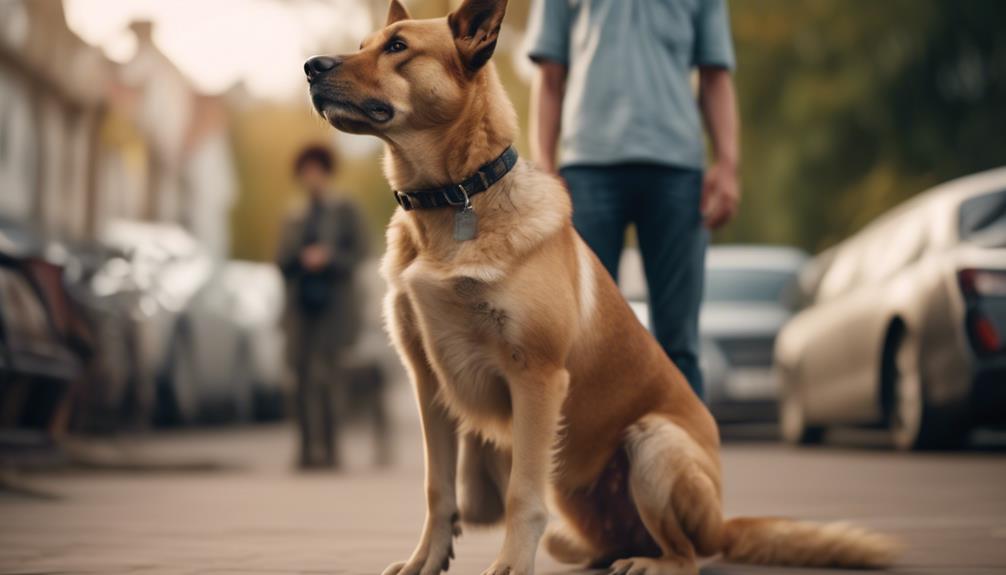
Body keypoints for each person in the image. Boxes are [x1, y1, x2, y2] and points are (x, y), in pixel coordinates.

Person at [527, 0, 741, 398]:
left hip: (677, 170)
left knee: (678, 343)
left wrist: (728, 165)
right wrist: (543, 163)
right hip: (587, 169)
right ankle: (588, 461)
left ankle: (689, 459)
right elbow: (550, 76)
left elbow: (715, 75)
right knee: (582, 337)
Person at [277, 144, 368, 469]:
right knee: (299, 378)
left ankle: (330, 450)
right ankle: (304, 449)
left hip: (334, 307)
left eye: (317, 170)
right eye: (307, 171)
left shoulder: (344, 210)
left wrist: (329, 258)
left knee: (330, 378)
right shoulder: (294, 214)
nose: (312, 177)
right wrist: (302, 260)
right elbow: (281, 260)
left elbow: (360, 252)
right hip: (301, 308)